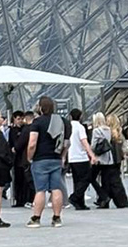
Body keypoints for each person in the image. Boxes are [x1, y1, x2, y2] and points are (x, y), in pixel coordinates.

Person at [26, 97, 71, 228]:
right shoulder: (62, 121)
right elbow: (66, 143)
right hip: (56, 158)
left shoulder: (37, 122)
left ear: (40, 108)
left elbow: (32, 143)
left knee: (40, 190)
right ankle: (57, 218)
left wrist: (29, 157)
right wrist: (62, 156)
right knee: (56, 188)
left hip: (40, 159)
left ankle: (36, 218)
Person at [67, 109, 99, 210]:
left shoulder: (68, 127)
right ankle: (75, 197)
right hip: (81, 157)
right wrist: (92, 155)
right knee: (86, 178)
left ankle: (80, 203)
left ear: (70, 116)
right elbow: (84, 142)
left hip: (72, 156)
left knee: (77, 181)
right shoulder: (80, 127)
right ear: (80, 116)